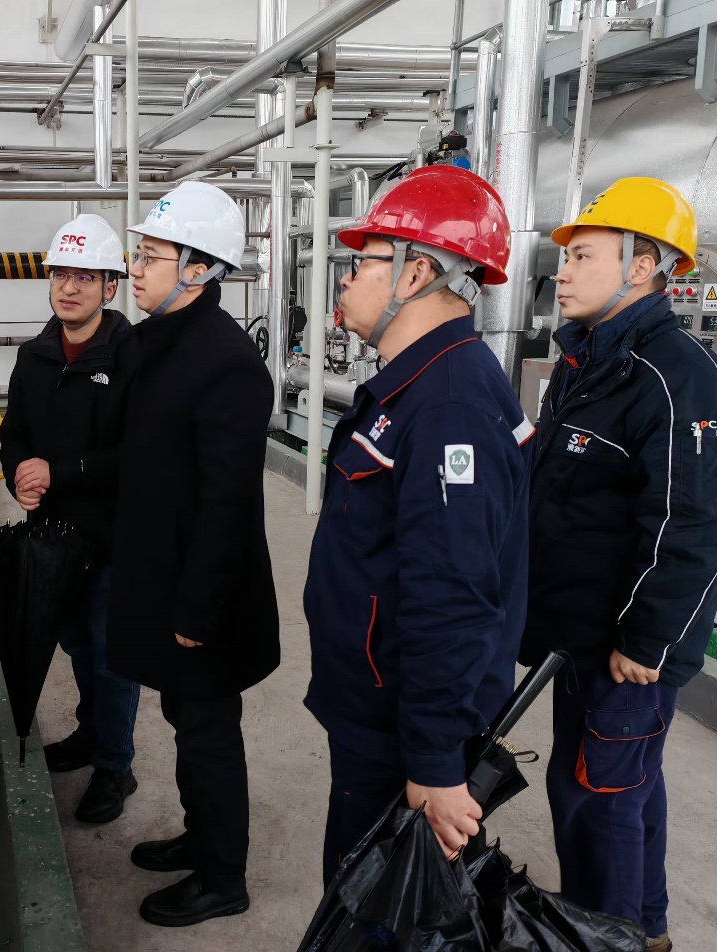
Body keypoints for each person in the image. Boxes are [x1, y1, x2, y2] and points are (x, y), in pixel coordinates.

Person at [523, 177, 717, 952]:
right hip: (579, 631)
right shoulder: (588, 361)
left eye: (582, 256)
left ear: (642, 265)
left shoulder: (677, 376)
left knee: (597, 797)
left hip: (624, 647)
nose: (563, 272)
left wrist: (647, 640)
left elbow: (698, 526)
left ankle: (604, 938)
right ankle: (643, 930)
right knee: (622, 785)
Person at [302, 166, 533, 885]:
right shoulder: (413, 387)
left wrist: (434, 761)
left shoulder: (450, 407)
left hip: (400, 729)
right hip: (375, 709)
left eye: (363, 262)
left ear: (415, 273)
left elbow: (454, 594)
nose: (346, 280)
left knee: (376, 906)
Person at [108, 181, 279, 927]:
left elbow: (226, 504)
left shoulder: (226, 362)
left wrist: (196, 612)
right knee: (184, 717)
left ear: (199, 268)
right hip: (165, 576)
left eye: (151, 256)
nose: (135, 268)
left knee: (208, 732)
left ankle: (221, 876)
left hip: (205, 597)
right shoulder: (157, 342)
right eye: (140, 253)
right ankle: (199, 835)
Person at [0, 213, 143, 824]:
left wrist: (59, 472)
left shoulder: (133, 356)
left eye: (86, 277)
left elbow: (139, 451)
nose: (69, 287)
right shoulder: (34, 356)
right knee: (77, 643)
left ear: (110, 286)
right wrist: (19, 476)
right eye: (61, 274)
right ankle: (90, 734)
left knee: (111, 657)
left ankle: (115, 766)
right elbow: (13, 435)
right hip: (55, 537)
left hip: (113, 539)